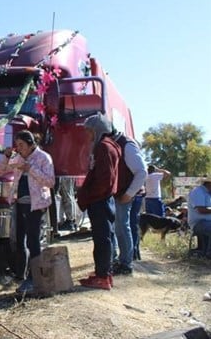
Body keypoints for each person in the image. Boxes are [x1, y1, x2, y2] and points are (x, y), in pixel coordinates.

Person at [2, 130, 55, 293]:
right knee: (19, 240)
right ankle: (20, 274)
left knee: (33, 241)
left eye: (21, 145)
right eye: (17, 145)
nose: (19, 149)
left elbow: (50, 181)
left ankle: (34, 277)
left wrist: (30, 169)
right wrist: (6, 156)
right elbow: (1, 169)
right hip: (19, 202)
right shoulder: (18, 157)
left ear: (31, 144)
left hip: (36, 204)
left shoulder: (43, 158)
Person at [77, 113, 121, 290]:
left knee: (102, 239)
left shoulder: (103, 147)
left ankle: (103, 277)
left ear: (97, 130)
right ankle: (104, 273)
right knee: (105, 238)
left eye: (89, 131)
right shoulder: (109, 146)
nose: (87, 135)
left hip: (100, 200)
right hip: (103, 200)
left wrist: (89, 196)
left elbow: (105, 179)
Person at [110, 128, 146, 275]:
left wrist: (129, 193)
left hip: (124, 194)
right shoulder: (117, 143)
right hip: (118, 193)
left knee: (122, 227)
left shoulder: (126, 144)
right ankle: (121, 261)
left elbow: (142, 171)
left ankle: (126, 263)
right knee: (118, 227)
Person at [187, 176, 211, 259]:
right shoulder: (198, 192)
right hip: (199, 223)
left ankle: (207, 251)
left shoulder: (208, 193)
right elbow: (201, 209)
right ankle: (209, 253)